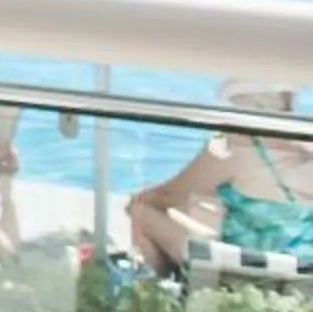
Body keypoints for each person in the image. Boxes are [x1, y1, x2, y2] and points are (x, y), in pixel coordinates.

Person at [127, 82, 313, 275]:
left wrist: (143, 200)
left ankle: (160, 284)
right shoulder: (306, 140)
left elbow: (167, 196)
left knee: (141, 209)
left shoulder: (237, 143)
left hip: (244, 276)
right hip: (304, 277)